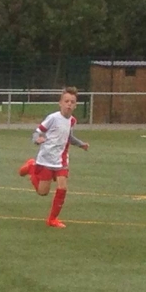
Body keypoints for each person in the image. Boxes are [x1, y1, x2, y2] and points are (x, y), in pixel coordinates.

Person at [18, 87, 90, 229]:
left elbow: (69, 137)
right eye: (66, 101)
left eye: (72, 102)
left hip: (61, 160)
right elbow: (37, 132)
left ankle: (52, 219)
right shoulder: (53, 118)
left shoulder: (72, 121)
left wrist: (81, 144)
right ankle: (31, 167)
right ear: (60, 103)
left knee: (63, 187)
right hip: (46, 159)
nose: (69, 104)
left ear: (75, 105)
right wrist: (37, 139)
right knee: (42, 192)